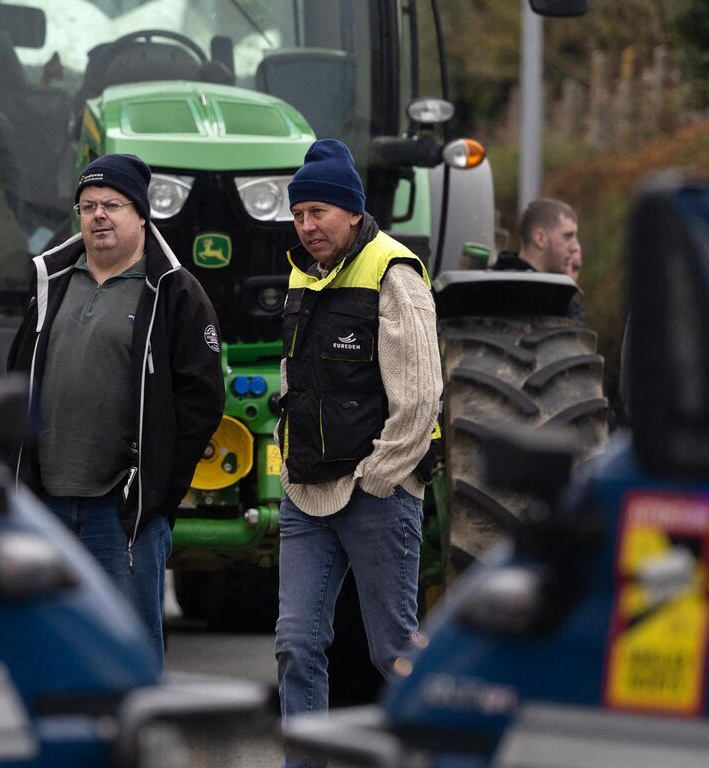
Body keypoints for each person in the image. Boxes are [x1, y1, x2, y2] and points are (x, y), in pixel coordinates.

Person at [7, 153, 223, 664]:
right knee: (47, 650)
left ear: (142, 214)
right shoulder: (51, 282)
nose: (98, 215)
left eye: (112, 205)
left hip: (121, 513)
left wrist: (155, 498)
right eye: (87, 206)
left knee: (128, 655)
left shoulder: (174, 292)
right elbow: (20, 375)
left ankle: (132, 746)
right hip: (47, 505)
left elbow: (202, 404)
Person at [273, 139, 440, 763]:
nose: (306, 225)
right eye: (297, 215)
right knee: (297, 644)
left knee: (392, 649)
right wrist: (286, 455)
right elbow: (294, 381)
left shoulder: (393, 272)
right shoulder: (301, 273)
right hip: (305, 494)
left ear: (350, 212)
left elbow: (422, 397)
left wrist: (378, 478)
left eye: (316, 212)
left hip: (377, 495)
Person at [494, 198, 587, 322]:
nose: (575, 246)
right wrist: (565, 300)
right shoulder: (540, 300)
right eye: (568, 236)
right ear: (540, 239)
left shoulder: (492, 283)